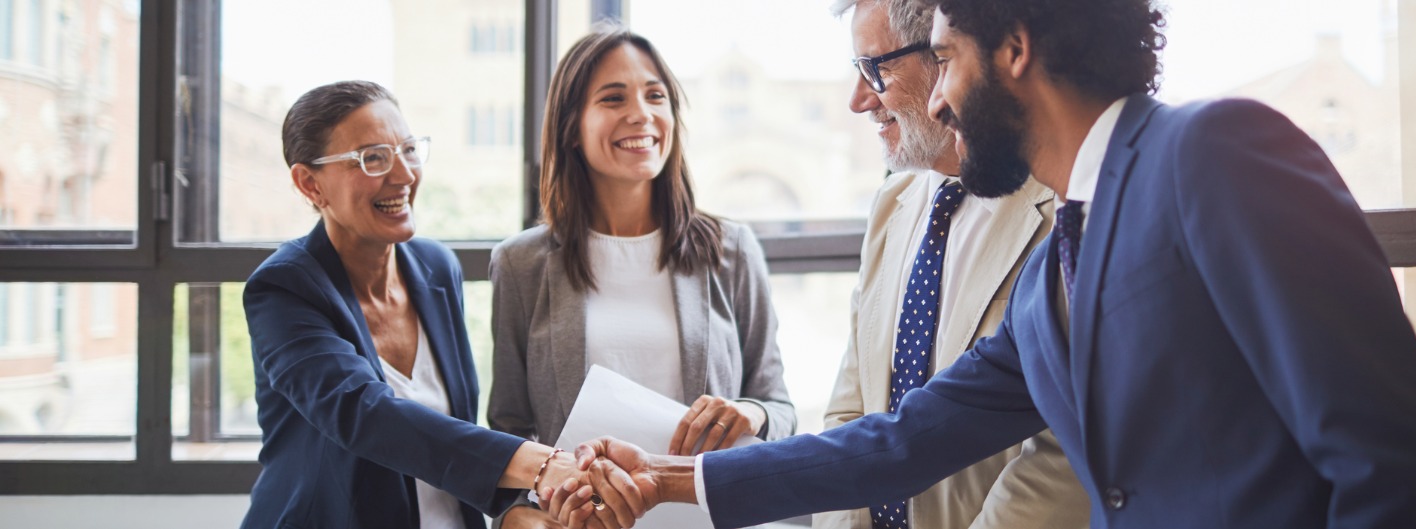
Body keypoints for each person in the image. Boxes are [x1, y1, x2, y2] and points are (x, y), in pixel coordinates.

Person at [561, 1, 1416, 528]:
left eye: (946, 59)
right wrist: (670, 480)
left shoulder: (1216, 151)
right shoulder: (1051, 279)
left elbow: (1396, 460)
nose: (942, 98)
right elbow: (902, 441)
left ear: (1015, 49)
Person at [241, 81, 643, 529]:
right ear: (309, 183)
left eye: (409, 150)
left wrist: (522, 505)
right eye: (373, 157)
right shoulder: (284, 288)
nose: (404, 175)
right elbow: (365, 414)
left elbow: (452, 430)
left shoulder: (435, 267)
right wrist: (544, 464)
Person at [487, 27, 795, 528]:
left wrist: (751, 414)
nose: (641, 113)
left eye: (656, 96)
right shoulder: (522, 265)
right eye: (613, 98)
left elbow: (780, 408)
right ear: (571, 127)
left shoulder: (731, 250)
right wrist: (521, 518)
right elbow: (510, 433)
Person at [816, 1, 1088, 528]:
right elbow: (850, 408)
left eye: (876, 68)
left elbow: (1064, 449)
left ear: (947, 56)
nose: (857, 100)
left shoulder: (1064, 209)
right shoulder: (890, 207)